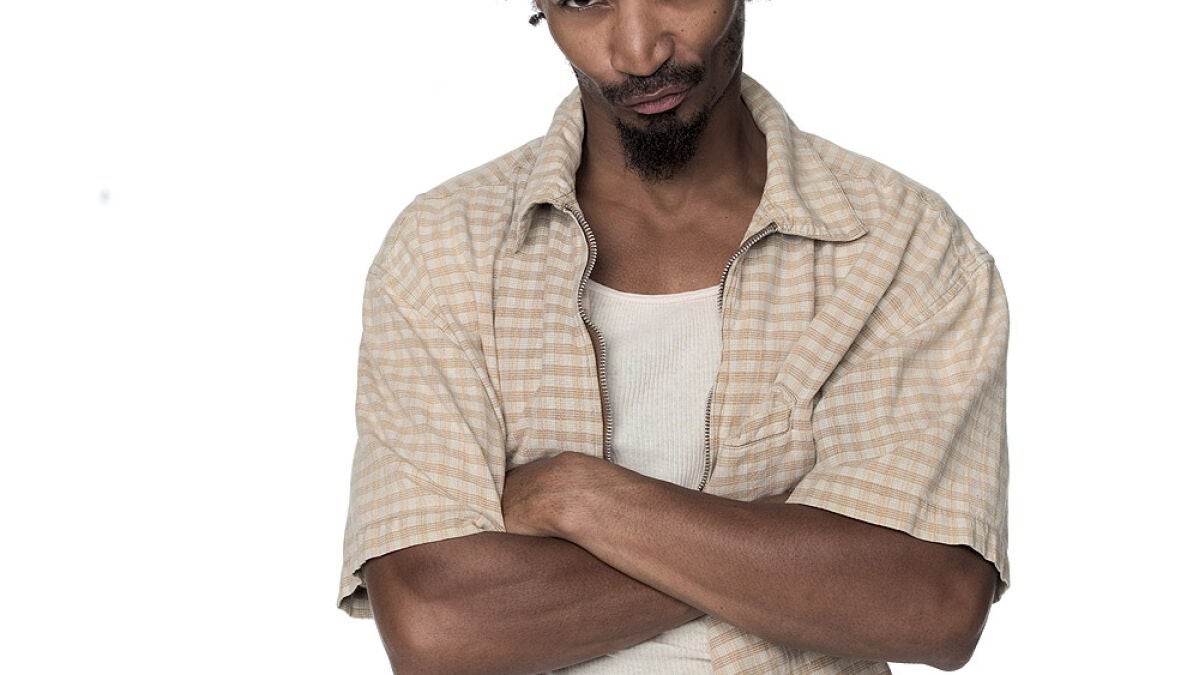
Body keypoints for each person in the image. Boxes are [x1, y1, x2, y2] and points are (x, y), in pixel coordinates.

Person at [338, 1, 1009, 672]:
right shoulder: (443, 248)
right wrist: (795, 552)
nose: (638, 53)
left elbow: (929, 603)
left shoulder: (902, 244)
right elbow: (435, 625)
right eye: (581, 0)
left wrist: (575, 496)